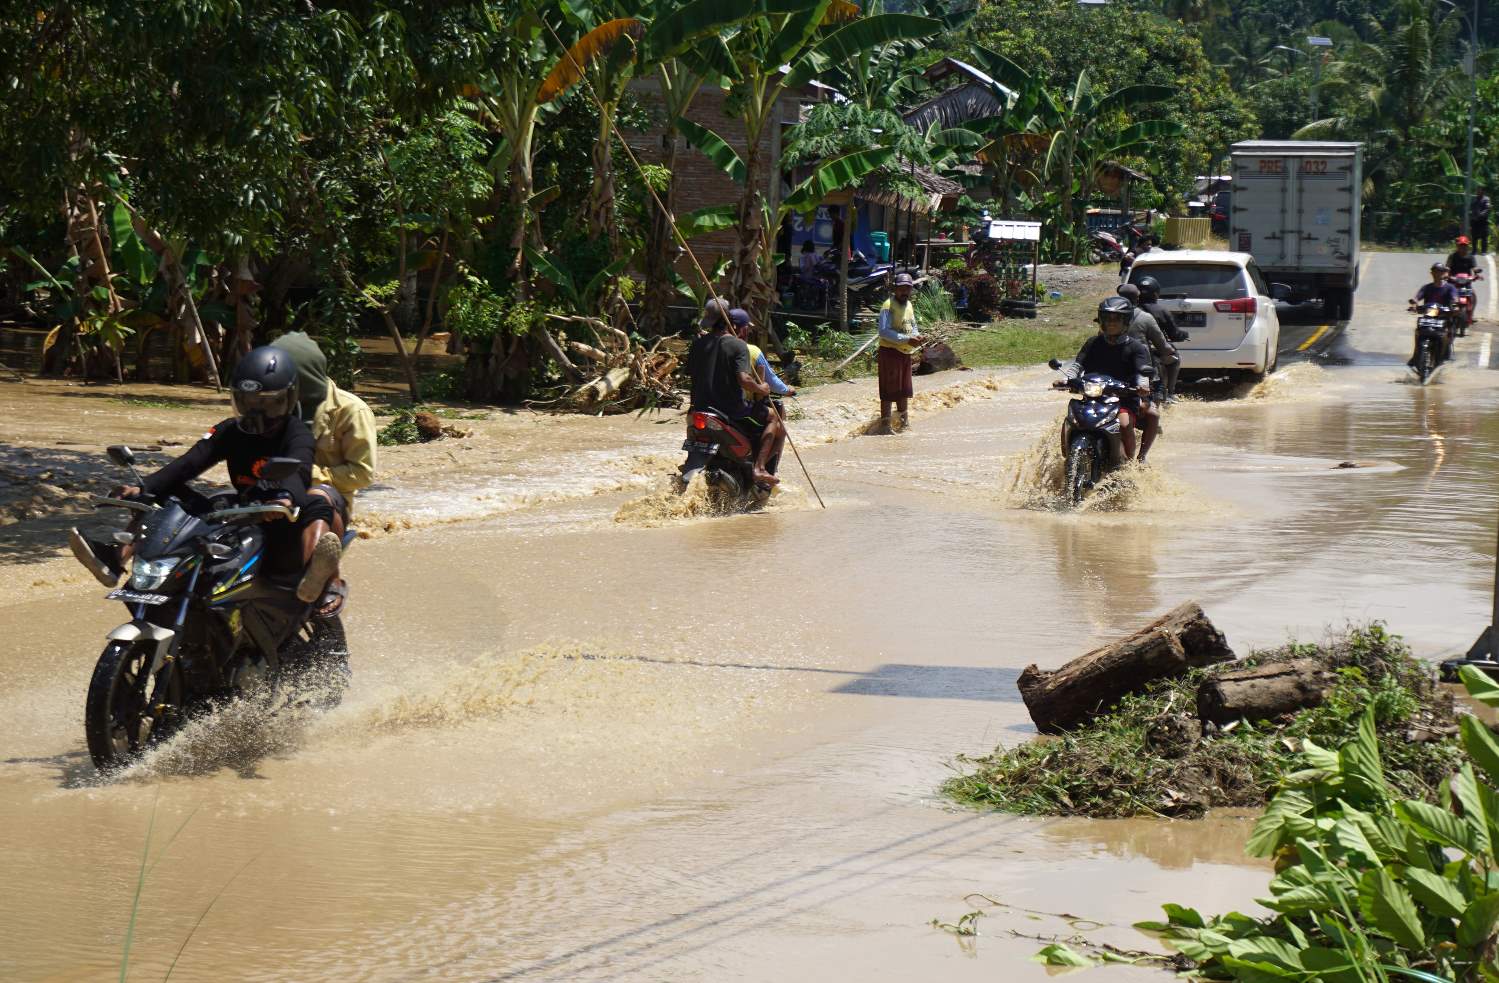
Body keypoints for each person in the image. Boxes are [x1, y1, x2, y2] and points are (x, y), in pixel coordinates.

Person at [68, 347, 342, 605]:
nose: (256, 412)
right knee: (162, 495)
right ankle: (116, 560)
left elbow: (299, 470)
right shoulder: (229, 431)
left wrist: (283, 498)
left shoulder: (297, 434)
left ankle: (313, 575)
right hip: (243, 511)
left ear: (287, 399)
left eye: (266, 404)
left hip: (281, 518)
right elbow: (187, 464)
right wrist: (144, 488)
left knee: (318, 499)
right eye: (248, 403)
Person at [271, 330, 377, 616]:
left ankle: (325, 577)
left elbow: (362, 473)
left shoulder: (350, 410)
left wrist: (313, 474)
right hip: (279, 491)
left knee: (316, 496)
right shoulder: (271, 404)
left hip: (330, 498)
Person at [685, 299, 778, 487]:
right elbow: (744, 379)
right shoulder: (738, 345)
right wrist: (762, 388)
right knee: (773, 417)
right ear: (729, 321)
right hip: (732, 410)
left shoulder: (697, 344)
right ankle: (759, 468)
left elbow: (691, 376)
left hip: (699, 408)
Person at [1059, 297, 1154, 461]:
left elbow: (1142, 372)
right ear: (1101, 320)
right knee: (1071, 419)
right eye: (1107, 319)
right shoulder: (1092, 343)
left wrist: (1142, 386)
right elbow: (1077, 365)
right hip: (1093, 397)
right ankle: (1069, 456)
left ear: (1126, 321)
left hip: (1124, 397)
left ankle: (1131, 463)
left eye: (1116, 319)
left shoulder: (1136, 347)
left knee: (1124, 424)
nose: (1111, 323)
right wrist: (1066, 379)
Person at [729, 307, 793, 477]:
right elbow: (772, 383)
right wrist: (788, 390)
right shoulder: (751, 350)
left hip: (712, 404)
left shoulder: (715, 346)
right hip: (740, 407)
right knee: (777, 425)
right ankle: (760, 467)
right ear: (742, 329)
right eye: (746, 327)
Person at [877, 272, 925, 433]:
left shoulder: (909, 305)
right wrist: (907, 339)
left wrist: (917, 336)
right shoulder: (888, 306)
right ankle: (885, 426)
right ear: (895, 289)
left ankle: (904, 424)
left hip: (905, 353)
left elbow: (913, 325)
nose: (904, 292)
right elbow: (883, 331)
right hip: (890, 352)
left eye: (907, 289)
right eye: (901, 288)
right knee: (889, 391)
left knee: (904, 390)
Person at [1135, 275, 1186, 400]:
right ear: (1156, 293)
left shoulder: (1129, 311)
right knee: (1174, 358)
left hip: (1130, 349)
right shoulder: (1159, 312)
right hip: (1151, 350)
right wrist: (1183, 335)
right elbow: (1172, 335)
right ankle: (1169, 393)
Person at [1409, 263, 1460, 367]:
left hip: (1444, 315)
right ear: (1432, 273)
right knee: (1418, 332)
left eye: (1440, 271)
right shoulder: (1427, 287)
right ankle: (1416, 356)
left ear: (1444, 273)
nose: (1438, 273)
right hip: (1429, 315)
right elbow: (1417, 297)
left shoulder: (1450, 288)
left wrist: (1455, 306)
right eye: (1436, 271)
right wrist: (1414, 304)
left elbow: (1455, 298)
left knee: (1448, 333)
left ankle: (1445, 354)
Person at [1474, 190, 1491, 255]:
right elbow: (1472, 207)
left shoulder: (1486, 199)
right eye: (1477, 191)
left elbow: (1487, 209)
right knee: (1474, 236)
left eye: (1479, 191)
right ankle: (1474, 251)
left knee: (1484, 237)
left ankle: (1484, 251)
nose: (1478, 192)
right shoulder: (1475, 199)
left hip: (1483, 221)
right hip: (1475, 220)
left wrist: (1481, 214)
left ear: (1482, 192)